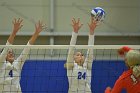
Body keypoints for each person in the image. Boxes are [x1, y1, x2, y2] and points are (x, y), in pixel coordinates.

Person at [0, 18, 45, 93]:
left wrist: (36, 33)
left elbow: (27, 48)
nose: (11, 53)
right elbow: (7, 46)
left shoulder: (17, 63)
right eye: (9, 52)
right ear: (4, 55)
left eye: (12, 52)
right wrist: (14, 32)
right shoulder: (1, 63)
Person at [64, 17, 98, 93]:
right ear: (73, 58)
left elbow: (90, 49)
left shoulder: (87, 66)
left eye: (82, 55)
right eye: (78, 55)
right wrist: (75, 32)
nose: (80, 56)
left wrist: (91, 31)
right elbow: (71, 49)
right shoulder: (71, 66)